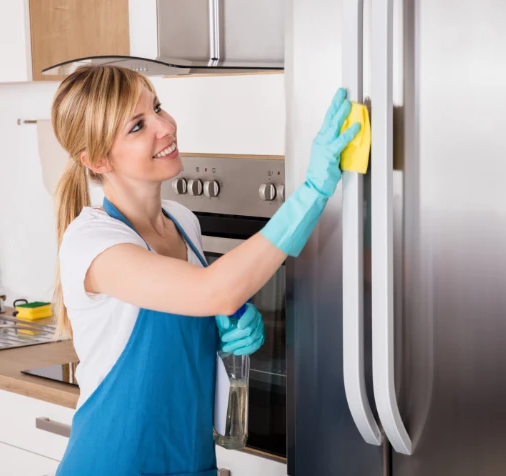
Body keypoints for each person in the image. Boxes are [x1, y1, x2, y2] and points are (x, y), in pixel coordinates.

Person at [50, 64, 359, 476]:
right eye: (138, 126)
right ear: (98, 159)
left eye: (157, 108)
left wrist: (222, 334)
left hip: (191, 463)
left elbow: (191, 318)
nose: (165, 126)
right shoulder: (92, 242)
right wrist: (314, 191)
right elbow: (214, 290)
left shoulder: (183, 222)